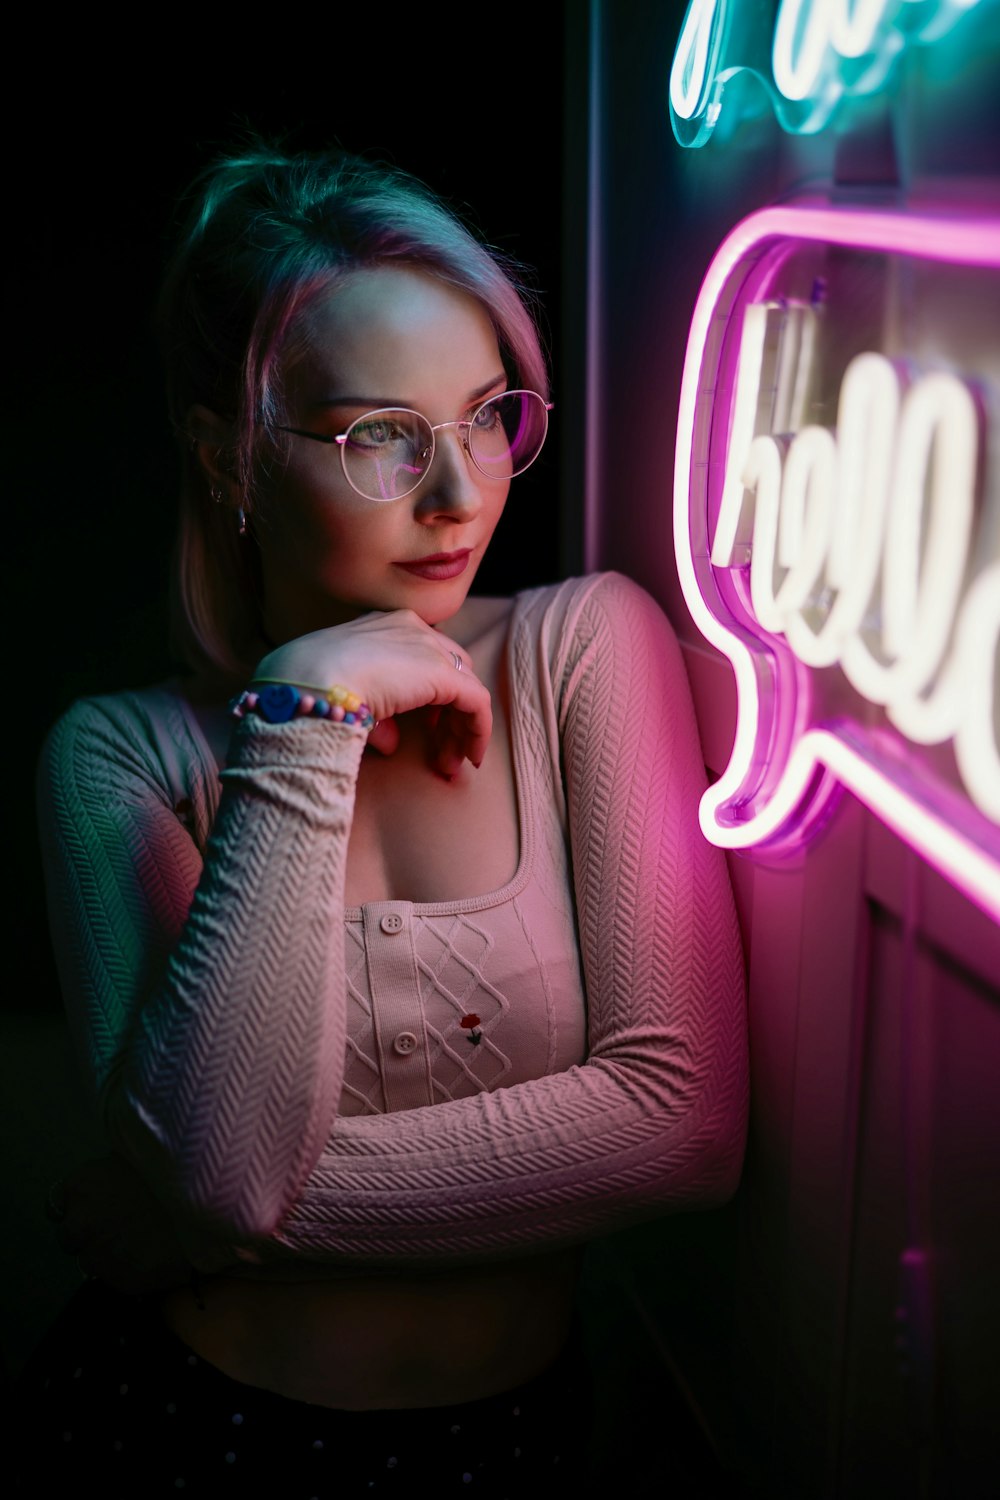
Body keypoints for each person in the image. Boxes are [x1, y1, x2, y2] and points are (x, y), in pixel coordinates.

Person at [22, 145, 748, 1496]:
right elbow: (217, 1174)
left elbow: (680, 1123)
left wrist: (183, 1212)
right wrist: (304, 719)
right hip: (184, 1437)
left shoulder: (583, 648)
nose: (462, 494)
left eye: (486, 417)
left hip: (517, 1449)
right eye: (378, 437)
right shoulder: (116, 759)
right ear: (228, 455)